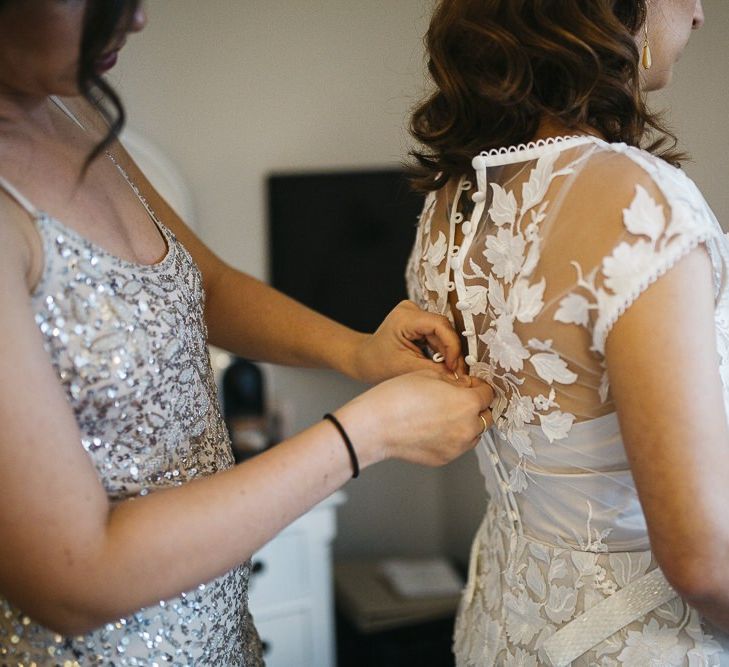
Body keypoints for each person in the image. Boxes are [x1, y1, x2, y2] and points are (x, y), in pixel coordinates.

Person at [0, 2, 496, 665]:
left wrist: (357, 351)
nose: (137, 19)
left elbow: (204, 285)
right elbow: (74, 576)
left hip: (224, 637)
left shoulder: (75, 112)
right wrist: (367, 433)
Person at [406, 0, 729, 664]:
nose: (698, 13)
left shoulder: (448, 206)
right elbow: (704, 563)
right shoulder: (642, 202)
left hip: (499, 632)